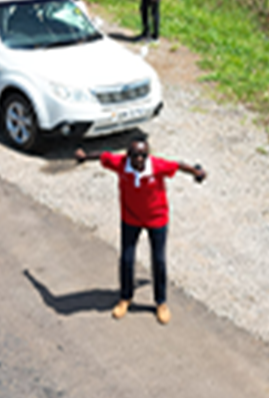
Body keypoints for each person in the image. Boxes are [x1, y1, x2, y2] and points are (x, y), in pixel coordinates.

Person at [75, 138, 206, 325]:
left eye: (143, 155)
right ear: (128, 155)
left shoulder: (158, 166)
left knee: (158, 260)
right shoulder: (121, 164)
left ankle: (161, 302)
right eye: (135, 155)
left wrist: (197, 172)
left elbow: (178, 165)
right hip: (131, 218)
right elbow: (103, 156)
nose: (139, 159)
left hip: (157, 219)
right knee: (127, 259)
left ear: (148, 155)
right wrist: (84, 156)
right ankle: (125, 298)